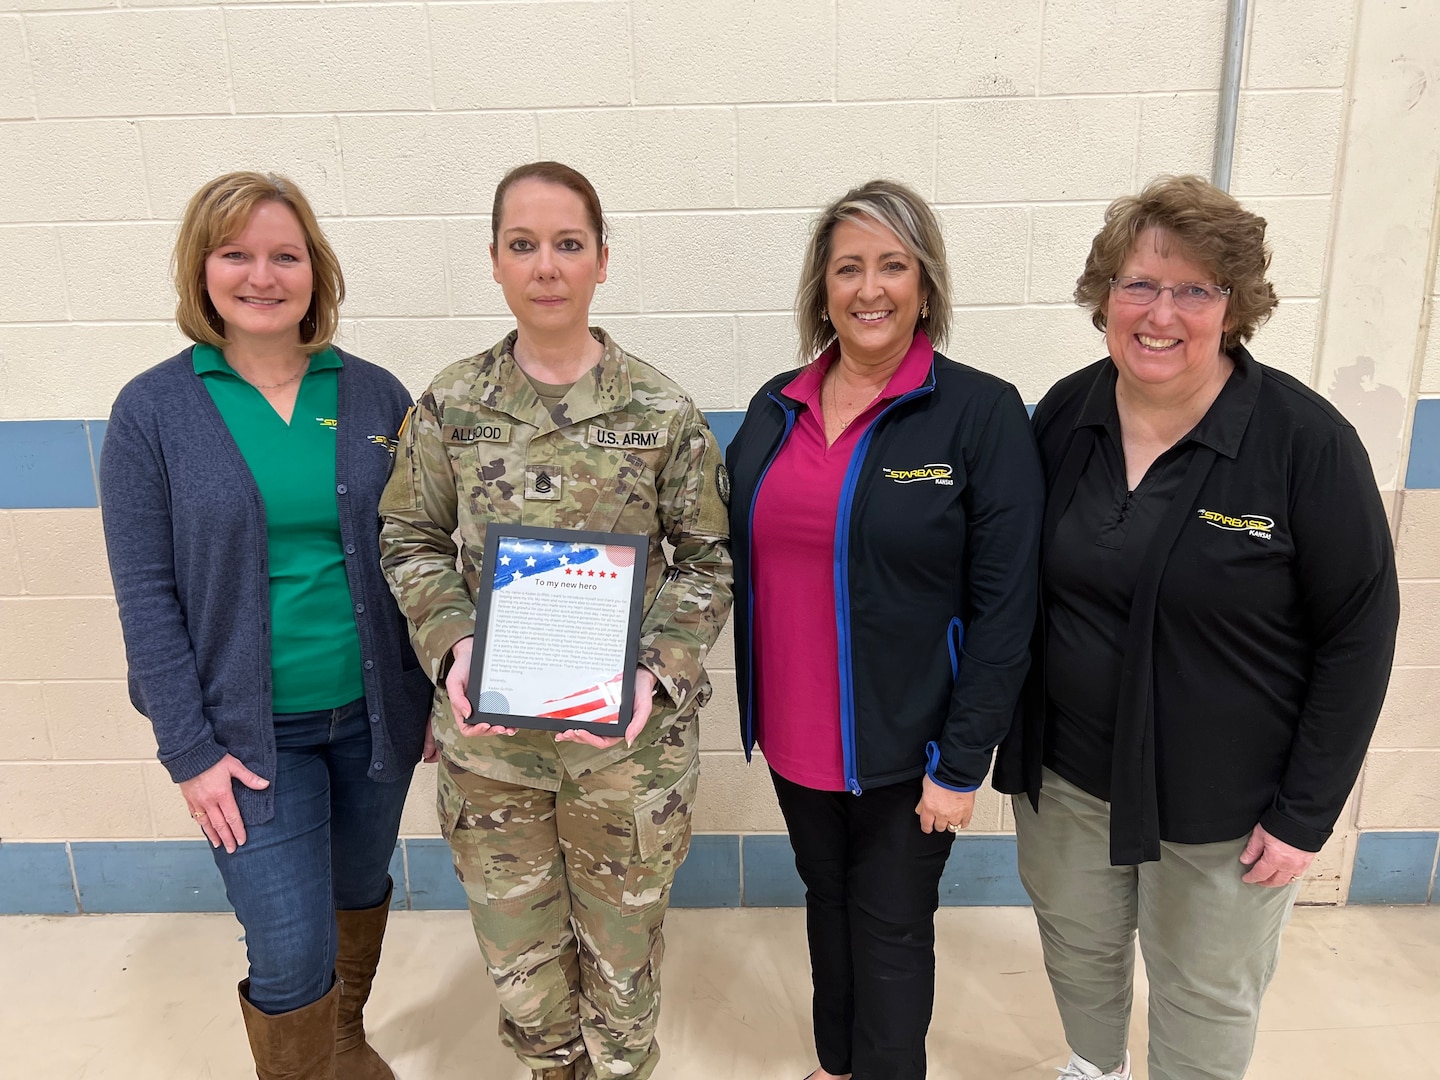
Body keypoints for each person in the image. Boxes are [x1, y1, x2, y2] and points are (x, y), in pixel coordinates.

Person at [994, 175, 1401, 1080]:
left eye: (1195, 290)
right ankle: (1095, 1067)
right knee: (1078, 947)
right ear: (1105, 296)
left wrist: (1304, 814)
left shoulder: (1305, 442)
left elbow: (1359, 636)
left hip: (1228, 803)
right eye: (1139, 284)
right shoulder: (1068, 414)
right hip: (1067, 777)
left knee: (1206, 987)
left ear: (1236, 305)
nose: (1161, 314)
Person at [378, 160, 733, 1080]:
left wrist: (655, 669)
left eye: (568, 244)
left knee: (621, 968)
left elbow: (707, 560)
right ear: (494, 261)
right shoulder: (450, 405)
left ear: (602, 261)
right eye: (523, 245)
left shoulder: (662, 411)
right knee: (523, 970)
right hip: (492, 749)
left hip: (627, 753)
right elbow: (409, 537)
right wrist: (454, 646)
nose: (547, 265)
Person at [99, 172, 432, 1080]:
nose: (262, 275)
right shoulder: (152, 412)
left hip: (374, 722)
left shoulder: (372, 396)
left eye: (285, 254)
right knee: (288, 948)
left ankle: (342, 1045)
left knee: (359, 895)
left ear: (314, 270)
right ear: (201, 271)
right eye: (236, 253)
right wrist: (188, 750)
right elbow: (146, 598)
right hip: (246, 740)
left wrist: (433, 688)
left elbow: (421, 553)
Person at [724, 179, 1044, 1080]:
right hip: (796, 735)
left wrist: (961, 759)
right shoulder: (774, 406)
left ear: (925, 285)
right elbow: (717, 550)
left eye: (893, 266)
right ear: (821, 290)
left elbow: (1006, 606)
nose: (871, 288)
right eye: (848, 267)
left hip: (912, 749)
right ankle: (837, 1064)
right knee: (827, 902)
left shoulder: (978, 412)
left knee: (893, 927)